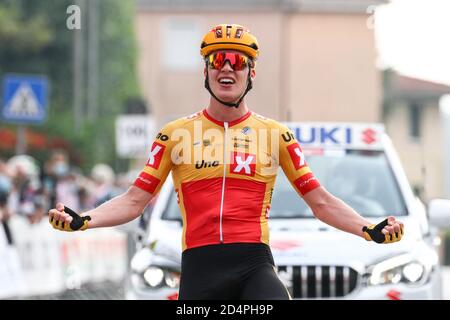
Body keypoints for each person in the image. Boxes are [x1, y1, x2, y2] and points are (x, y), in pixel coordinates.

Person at [49, 24, 404, 300]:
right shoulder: (174, 134)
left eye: (238, 62)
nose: (227, 68)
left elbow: (321, 202)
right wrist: (83, 220)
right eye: (218, 60)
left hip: (253, 266)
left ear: (251, 74)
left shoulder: (275, 135)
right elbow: (134, 200)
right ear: (205, 72)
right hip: (200, 270)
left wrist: (369, 229)